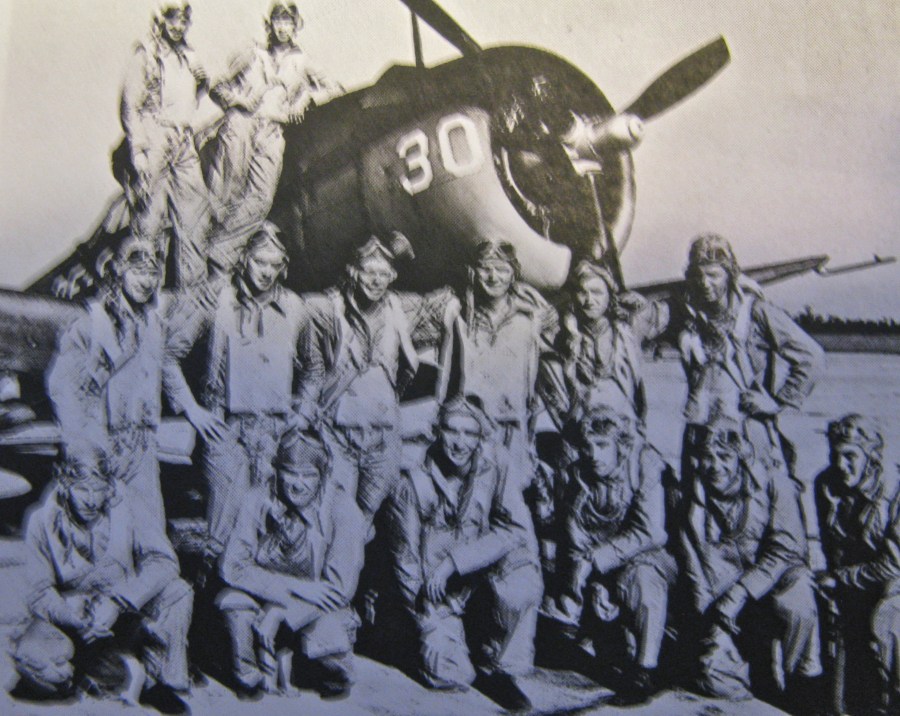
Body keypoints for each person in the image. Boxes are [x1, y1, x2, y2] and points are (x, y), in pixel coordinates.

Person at [164, 222, 307, 561]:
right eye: (260, 262)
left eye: (275, 264)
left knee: (266, 539)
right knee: (223, 538)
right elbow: (168, 355)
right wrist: (192, 410)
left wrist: (303, 411)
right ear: (244, 259)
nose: (267, 272)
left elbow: (314, 366)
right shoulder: (215, 298)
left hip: (273, 436)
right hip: (225, 430)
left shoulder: (295, 307)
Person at [389, 396, 541, 711]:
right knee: (450, 675)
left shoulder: (495, 463)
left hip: (476, 577)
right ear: (436, 431)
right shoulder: (412, 479)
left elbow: (515, 530)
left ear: (480, 437)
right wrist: (425, 617)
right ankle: (427, 639)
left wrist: (456, 563)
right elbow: (405, 562)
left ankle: (496, 665)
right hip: (434, 593)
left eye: (469, 434)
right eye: (451, 431)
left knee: (523, 580)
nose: (459, 443)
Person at [11, 455, 193, 714]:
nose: (91, 499)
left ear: (110, 486)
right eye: (82, 489)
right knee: (34, 660)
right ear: (64, 485)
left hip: (123, 612)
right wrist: (72, 616)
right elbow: (37, 590)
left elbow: (164, 561)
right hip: (74, 621)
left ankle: (157, 681)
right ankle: (103, 672)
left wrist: (119, 601)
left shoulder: (129, 505)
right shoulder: (41, 519)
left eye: (99, 489)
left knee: (178, 591)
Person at [678, 416, 822, 705]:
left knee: (800, 599)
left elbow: (787, 550)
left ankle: (802, 686)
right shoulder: (692, 504)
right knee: (714, 677)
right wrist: (714, 627)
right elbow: (697, 577)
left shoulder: (775, 485)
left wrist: (742, 591)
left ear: (741, 456)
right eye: (707, 457)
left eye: (724, 456)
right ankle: (757, 675)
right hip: (725, 600)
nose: (715, 466)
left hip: (777, 579)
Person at [541, 405, 677, 705]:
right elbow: (576, 535)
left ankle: (645, 670)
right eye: (588, 447)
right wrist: (592, 582)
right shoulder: (579, 473)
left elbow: (652, 533)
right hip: (603, 565)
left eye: (603, 446)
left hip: (648, 558)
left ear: (621, 445)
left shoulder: (645, 463)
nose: (594, 454)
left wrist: (598, 561)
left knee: (644, 581)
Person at [217, 431, 365, 700]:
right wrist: (291, 589)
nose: (297, 484)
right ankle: (251, 674)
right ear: (276, 470)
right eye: (289, 472)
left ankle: (306, 666)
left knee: (332, 656)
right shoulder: (257, 498)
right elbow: (232, 567)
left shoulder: (343, 509)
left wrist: (283, 612)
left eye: (308, 475)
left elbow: (339, 588)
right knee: (231, 603)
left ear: (323, 475)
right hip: (268, 596)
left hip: (314, 609)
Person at [206, 2, 340, 274]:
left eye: (288, 21)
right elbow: (216, 86)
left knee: (261, 199)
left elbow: (334, 88)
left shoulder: (302, 61)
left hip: (273, 131)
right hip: (242, 124)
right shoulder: (252, 52)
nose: (283, 27)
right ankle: (207, 258)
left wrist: (305, 101)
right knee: (228, 192)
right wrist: (239, 101)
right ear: (269, 24)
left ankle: (218, 254)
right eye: (278, 20)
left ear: (296, 25)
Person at [677, 233, 823, 482]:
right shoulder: (689, 317)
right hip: (701, 438)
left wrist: (778, 402)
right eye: (698, 275)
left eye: (713, 275)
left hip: (747, 434)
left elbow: (812, 356)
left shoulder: (755, 312)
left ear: (730, 274)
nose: (704, 283)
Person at [47, 234, 169, 530]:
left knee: (150, 533)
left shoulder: (154, 323)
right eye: (138, 271)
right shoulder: (90, 323)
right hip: (102, 445)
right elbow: (63, 390)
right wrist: (84, 446)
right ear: (118, 271)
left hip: (141, 446)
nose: (146, 280)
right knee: (100, 536)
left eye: (153, 273)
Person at [299, 235, 418, 523]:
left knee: (365, 517)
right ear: (353, 271)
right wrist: (304, 412)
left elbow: (446, 302)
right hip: (339, 434)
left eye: (382, 274)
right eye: (368, 272)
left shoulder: (402, 309)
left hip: (383, 436)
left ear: (393, 276)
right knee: (335, 514)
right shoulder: (326, 308)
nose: (375, 280)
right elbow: (311, 368)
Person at [436, 239, 558, 492]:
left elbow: (557, 363)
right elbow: (445, 374)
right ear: (472, 272)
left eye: (502, 269)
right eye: (485, 268)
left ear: (514, 274)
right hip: (470, 433)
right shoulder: (458, 317)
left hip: (512, 428)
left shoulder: (532, 320)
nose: (493, 277)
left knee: (512, 498)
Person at [120, 1, 211, 287]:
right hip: (154, 136)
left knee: (196, 214)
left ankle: (192, 296)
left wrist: (203, 82)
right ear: (160, 19)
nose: (178, 26)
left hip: (183, 139)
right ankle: (142, 292)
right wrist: (139, 152)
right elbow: (130, 107)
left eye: (183, 20)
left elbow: (192, 97)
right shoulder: (145, 54)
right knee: (150, 219)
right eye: (172, 19)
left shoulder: (188, 55)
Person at [814, 414, 900, 714]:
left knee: (888, 619)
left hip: (891, 588)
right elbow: (829, 546)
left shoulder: (895, 491)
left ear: (872, 456)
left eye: (850, 456)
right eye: (835, 455)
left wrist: (841, 579)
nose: (841, 465)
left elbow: (895, 565)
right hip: (854, 585)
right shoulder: (827, 485)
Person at [539, 260, 668, 429]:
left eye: (597, 292)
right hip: (582, 431)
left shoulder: (628, 332)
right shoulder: (565, 337)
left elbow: (662, 311)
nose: (589, 300)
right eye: (582, 292)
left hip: (625, 428)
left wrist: (641, 304)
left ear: (610, 296)